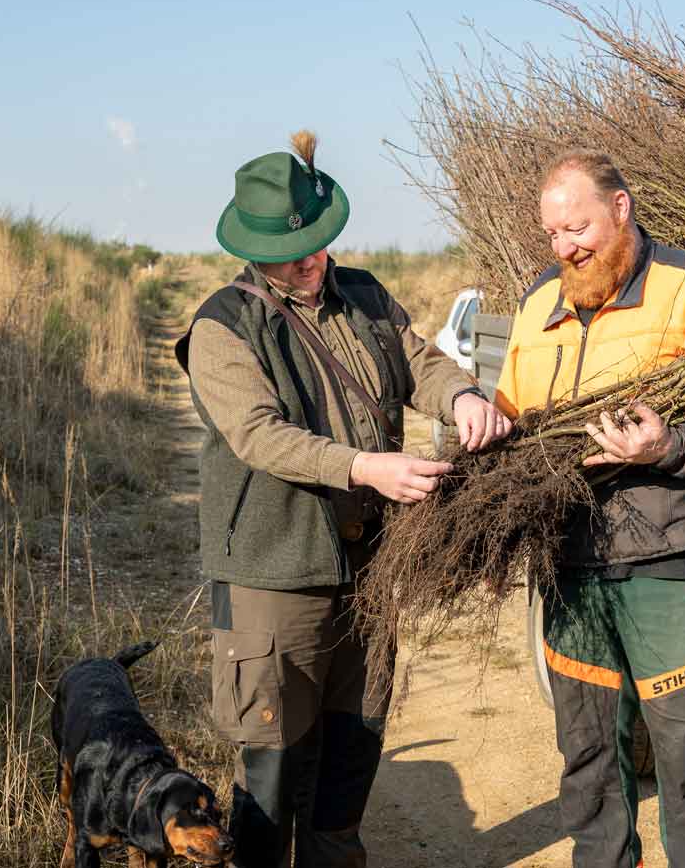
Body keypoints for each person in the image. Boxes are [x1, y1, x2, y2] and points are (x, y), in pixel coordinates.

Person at [175, 131, 511, 868]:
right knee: (272, 768)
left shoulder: (361, 292)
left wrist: (461, 396)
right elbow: (259, 436)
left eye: (320, 243)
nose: (313, 260)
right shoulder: (221, 327)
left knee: (351, 756)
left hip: (369, 572)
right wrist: (366, 467)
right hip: (274, 577)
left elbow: (418, 359)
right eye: (294, 253)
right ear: (252, 252)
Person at [492, 148, 685, 868]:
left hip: (669, 560)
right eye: (552, 235)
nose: (566, 247)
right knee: (586, 753)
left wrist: (667, 447)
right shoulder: (538, 304)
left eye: (577, 228)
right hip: (570, 561)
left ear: (620, 208)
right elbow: (511, 415)